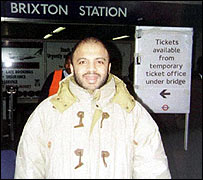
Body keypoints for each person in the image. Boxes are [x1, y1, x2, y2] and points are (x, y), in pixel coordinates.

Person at [14, 37, 171, 179]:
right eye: (83, 61)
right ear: (72, 67)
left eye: (99, 61)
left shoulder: (133, 114)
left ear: (108, 67)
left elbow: (153, 172)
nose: (92, 69)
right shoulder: (47, 112)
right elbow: (29, 169)